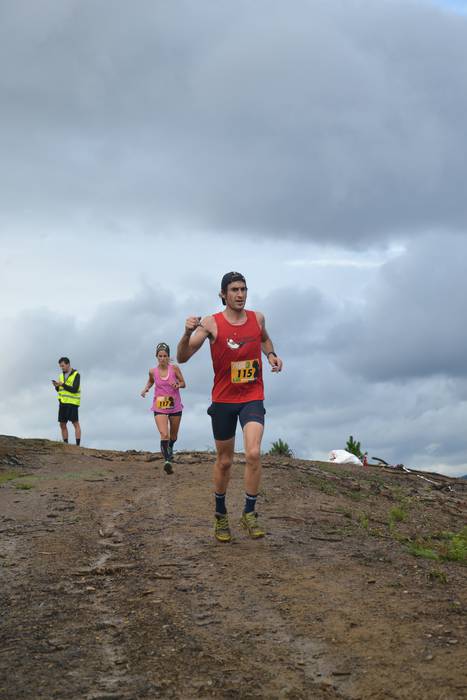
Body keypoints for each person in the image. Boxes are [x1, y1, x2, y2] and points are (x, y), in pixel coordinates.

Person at [177, 272, 283, 542]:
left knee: (253, 453)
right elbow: (183, 356)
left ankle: (249, 512)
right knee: (224, 462)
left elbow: (264, 339)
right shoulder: (211, 323)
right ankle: (220, 514)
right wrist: (187, 332)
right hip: (224, 400)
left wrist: (271, 355)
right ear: (223, 294)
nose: (240, 294)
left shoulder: (257, 318)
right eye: (234, 290)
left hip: (252, 396)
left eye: (243, 289)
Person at [141, 342, 186, 474]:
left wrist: (178, 385)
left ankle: (170, 446)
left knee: (173, 436)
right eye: (160, 356)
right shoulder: (152, 371)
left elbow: (184, 383)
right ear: (156, 356)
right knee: (164, 434)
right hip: (159, 406)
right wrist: (146, 388)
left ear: (168, 357)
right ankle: (167, 461)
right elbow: (151, 380)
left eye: (165, 356)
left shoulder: (175, 369)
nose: (162, 358)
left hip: (175, 406)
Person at [52, 357, 81, 446]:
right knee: (62, 424)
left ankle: (77, 445)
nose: (62, 368)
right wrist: (56, 386)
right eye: (60, 366)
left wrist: (63, 385)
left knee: (75, 423)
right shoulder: (61, 375)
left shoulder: (76, 374)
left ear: (68, 364)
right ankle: (66, 444)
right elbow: (60, 390)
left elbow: (74, 389)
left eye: (63, 366)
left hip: (72, 403)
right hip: (62, 403)